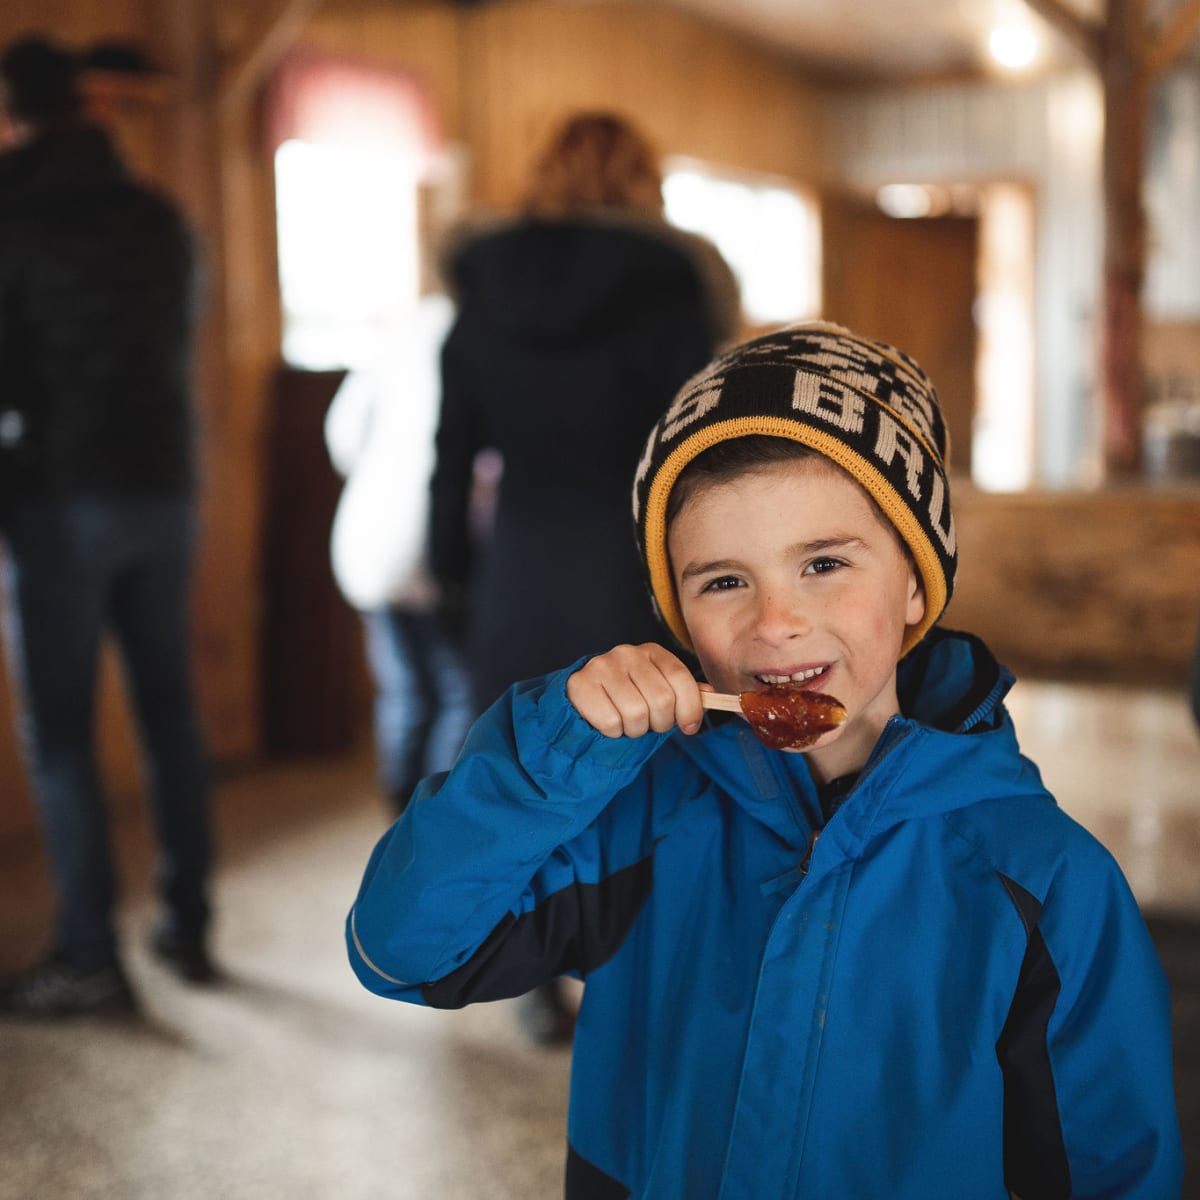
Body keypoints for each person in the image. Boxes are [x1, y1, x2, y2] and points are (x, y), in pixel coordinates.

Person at [348, 322, 1182, 1196]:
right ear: (677, 613)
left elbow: (1113, 1167)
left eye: (823, 563)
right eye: (722, 580)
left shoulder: (1047, 883)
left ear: (914, 582)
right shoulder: (638, 815)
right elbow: (401, 950)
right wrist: (547, 757)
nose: (775, 622)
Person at [430, 110, 739, 1042]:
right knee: (647, 755)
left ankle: (531, 980)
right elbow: (699, 458)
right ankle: (632, 964)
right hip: (634, 561)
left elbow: (451, 454)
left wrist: (453, 579)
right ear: (645, 179)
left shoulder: (483, 294)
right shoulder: (672, 293)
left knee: (531, 758)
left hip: (520, 559)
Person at [0, 36, 214, 1015]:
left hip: (58, 498)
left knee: (62, 735)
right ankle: (190, 922)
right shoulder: (160, 216)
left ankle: (91, 955)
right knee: (170, 713)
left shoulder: (12, 209)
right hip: (166, 488)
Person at [325, 294, 473, 814]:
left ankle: (397, 815)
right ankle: (431, 818)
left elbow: (340, 434)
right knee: (458, 689)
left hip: (368, 531)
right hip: (433, 532)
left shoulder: (398, 335)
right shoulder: (479, 332)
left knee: (404, 689)